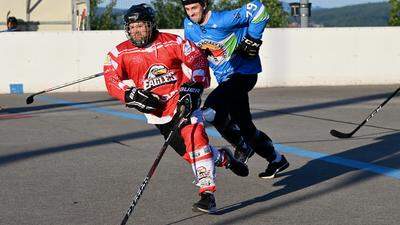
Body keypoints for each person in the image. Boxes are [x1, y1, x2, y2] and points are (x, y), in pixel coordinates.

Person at [103, 3, 249, 213]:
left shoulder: (172, 42)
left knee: (196, 141)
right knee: (192, 154)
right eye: (132, 27)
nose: (136, 30)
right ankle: (224, 158)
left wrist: (194, 87)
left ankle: (207, 195)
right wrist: (129, 95)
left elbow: (197, 59)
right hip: (158, 114)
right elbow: (111, 79)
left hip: (182, 103)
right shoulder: (121, 52)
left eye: (141, 26)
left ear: (151, 25)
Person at [181, 0, 289, 179]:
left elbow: (259, 10)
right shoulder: (189, 26)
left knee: (211, 109)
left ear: (205, 5)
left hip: (243, 74)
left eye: (194, 8)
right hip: (226, 81)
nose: (191, 13)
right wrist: (193, 84)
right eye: (187, 9)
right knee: (245, 127)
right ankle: (276, 159)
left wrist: (253, 39)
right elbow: (196, 57)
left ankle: (242, 145)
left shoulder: (224, 20)